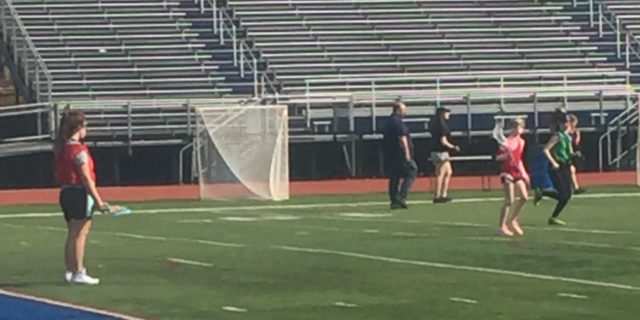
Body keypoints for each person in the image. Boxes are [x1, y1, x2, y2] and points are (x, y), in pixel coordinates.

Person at [55, 109, 106, 285]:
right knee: (80, 234)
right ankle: (78, 271)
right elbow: (86, 178)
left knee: (72, 233)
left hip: (66, 193)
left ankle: (71, 270)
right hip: (79, 193)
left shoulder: (63, 148)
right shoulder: (79, 150)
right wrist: (99, 201)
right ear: (78, 127)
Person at [495, 118, 529, 236]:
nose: (518, 130)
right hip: (507, 172)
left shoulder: (522, 142)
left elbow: (519, 160)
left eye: (520, 127)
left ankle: (513, 220)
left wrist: (524, 174)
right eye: (516, 127)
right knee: (510, 200)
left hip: (516, 172)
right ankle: (501, 226)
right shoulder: (506, 142)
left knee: (524, 197)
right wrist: (506, 155)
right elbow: (498, 158)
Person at [540, 114, 575, 226]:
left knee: (568, 194)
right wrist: (553, 162)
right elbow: (546, 150)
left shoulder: (567, 137)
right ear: (559, 124)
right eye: (564, 122)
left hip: (565, 166)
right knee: (563, 194)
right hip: (557, 166)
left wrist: (574, 156)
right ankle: (553, 217)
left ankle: (543, 193)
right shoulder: (557, 136)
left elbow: (569, 152)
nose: (566, 124)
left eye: (567, 122)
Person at [382, 100, 417, 209]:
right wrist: (407, 154)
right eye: (403, 110)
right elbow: (403, 138)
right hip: (399, 154)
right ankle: (401, 197)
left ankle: (394, 200)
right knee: (411, 172)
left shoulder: (388, 121)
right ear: (398, 110)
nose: (405, 112)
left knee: (394, 177)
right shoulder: (398, 122)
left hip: (390, 153)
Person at [430, 107, 460, 203]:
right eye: (447, 113)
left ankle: (443, 194)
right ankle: (438, 195)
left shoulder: (435, 124)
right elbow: (443, 141)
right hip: (441, 151)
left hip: (438, 151)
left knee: (448, 172)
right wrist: (453, 147)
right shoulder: (441, 126)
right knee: (441, 173)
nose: (448, 115)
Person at [568, 114, 586, 194]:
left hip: (573, 152)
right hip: (567, 153)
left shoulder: (576, 132)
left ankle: (574, 187)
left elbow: (576, 143)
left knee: (572, 170)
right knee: (571, 170)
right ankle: (575, 187)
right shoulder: (566, 133)